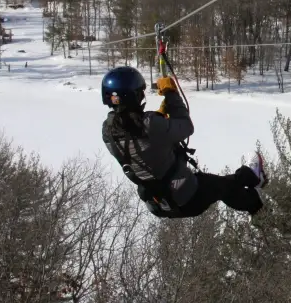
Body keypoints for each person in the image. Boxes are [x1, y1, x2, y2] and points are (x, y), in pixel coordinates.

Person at [100, 66, 267, 219]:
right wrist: (171, 94)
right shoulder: (150, 125)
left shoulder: (107, 132)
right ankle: (255, 185)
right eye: (140, 93)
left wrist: (159, 118)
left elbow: (140, 140)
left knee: (220, 187)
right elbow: (186, 126)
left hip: (159, 205)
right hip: (186, 197)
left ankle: (256, 198)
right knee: (226, 185)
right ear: (134, 96)